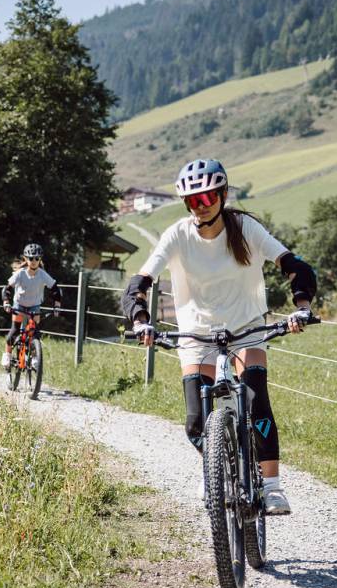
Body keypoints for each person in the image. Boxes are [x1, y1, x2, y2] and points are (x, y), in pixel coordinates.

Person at [121, 158, 316, 515]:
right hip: (195, 335)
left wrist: (301, 307)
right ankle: (218, 466)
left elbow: (295, 267)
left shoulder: (245, 228)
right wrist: (140, 321)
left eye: (207, 197)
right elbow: (139, 283)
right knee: (196, 422)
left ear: (223, 195)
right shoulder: (178, 234)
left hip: (246, 329)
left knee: (257, 402)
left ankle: (271, 486)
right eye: (193, 201)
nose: (201, 206)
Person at [2, 243, 63, 368]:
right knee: (14, 331)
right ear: (25, 259)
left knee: (35, 333)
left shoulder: (42, 274)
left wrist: (57, 305)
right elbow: (7, 289)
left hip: (35, 306)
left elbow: (55, 290)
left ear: (40, 259)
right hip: (19, 305)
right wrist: (6, 302)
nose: (34, 261)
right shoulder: (20, 273)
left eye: (36, 258)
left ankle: (35, 356)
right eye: (31, 258)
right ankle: (7, 355)